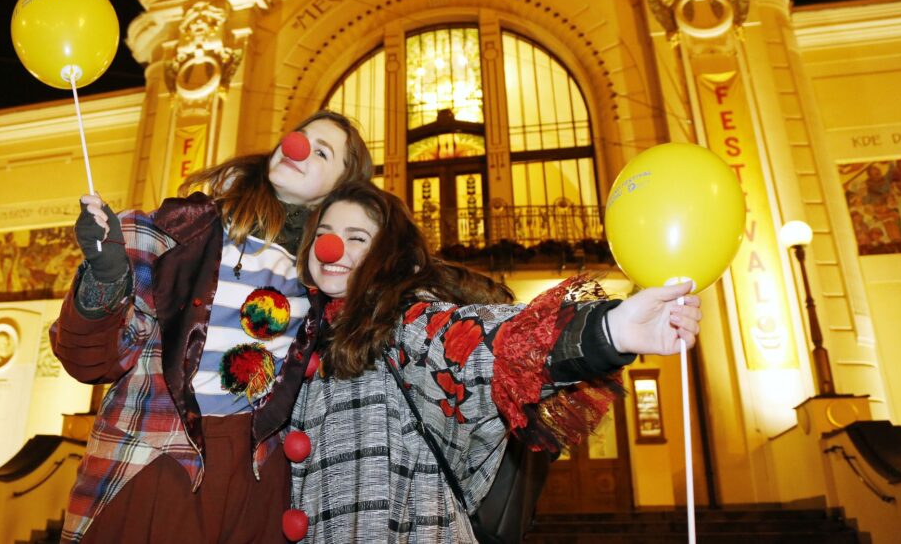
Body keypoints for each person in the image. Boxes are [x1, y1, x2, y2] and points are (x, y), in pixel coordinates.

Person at [287, 182, 703, 542]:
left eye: (357, 237)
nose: (331, 247)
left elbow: (488, 343)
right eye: (324, 233)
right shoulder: (300, 335)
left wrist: (611, 329)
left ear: (389, 256)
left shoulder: (407, 326)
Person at [50, 111, 373, 544]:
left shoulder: (322, 281)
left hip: (256, 481)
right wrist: (106, 276)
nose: (297, 148)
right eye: (300, 136)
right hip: (157, 462)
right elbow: (89, 360)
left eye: (322, 152)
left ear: (339, 189)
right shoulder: (179, 234)